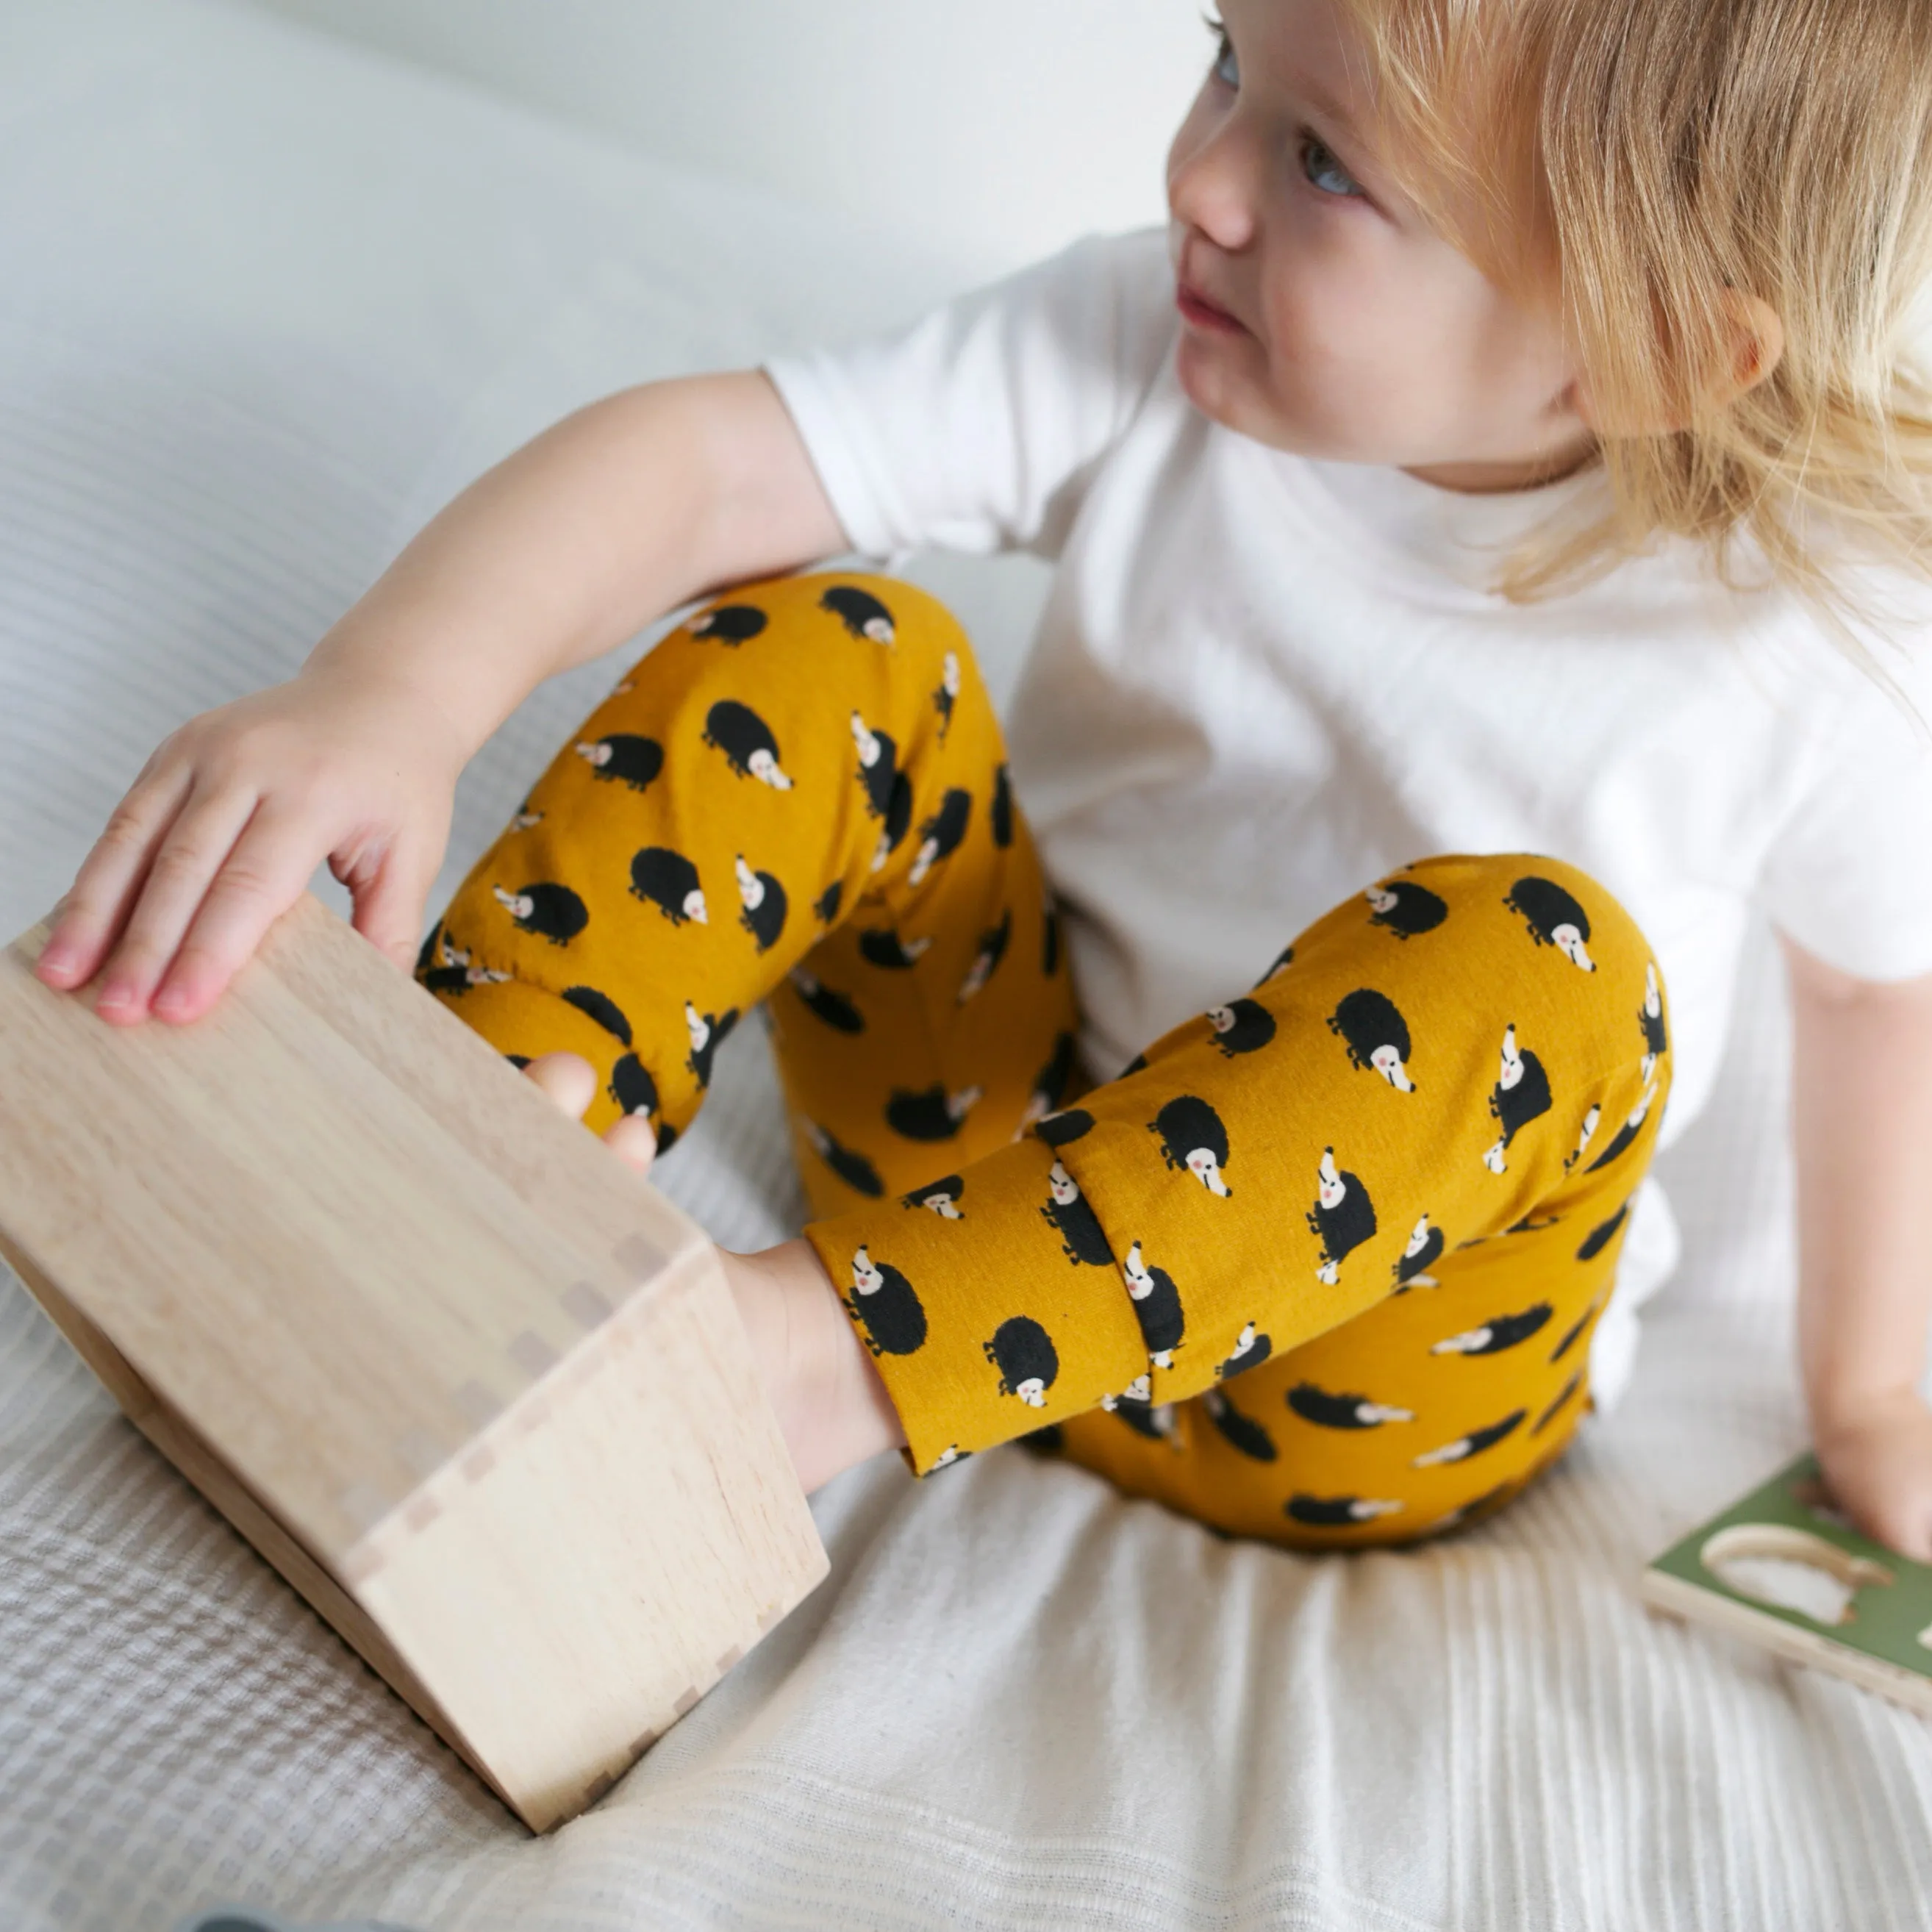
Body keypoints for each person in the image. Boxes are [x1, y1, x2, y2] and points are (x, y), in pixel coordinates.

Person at [34, 0, 1932, 1554]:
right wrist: (389, 688)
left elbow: (1870, 1003)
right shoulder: (1148, 340)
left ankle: (792, 1374)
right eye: (1220, 62)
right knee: (842, 646)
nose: (1197, 179)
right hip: (978, 1158)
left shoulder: (1810, 642)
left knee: (1550, 966)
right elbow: (714, 470)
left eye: (1325, 162)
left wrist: (1864, 1399)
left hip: (1352, 1388)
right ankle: (465, 1148)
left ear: (1654, 343)